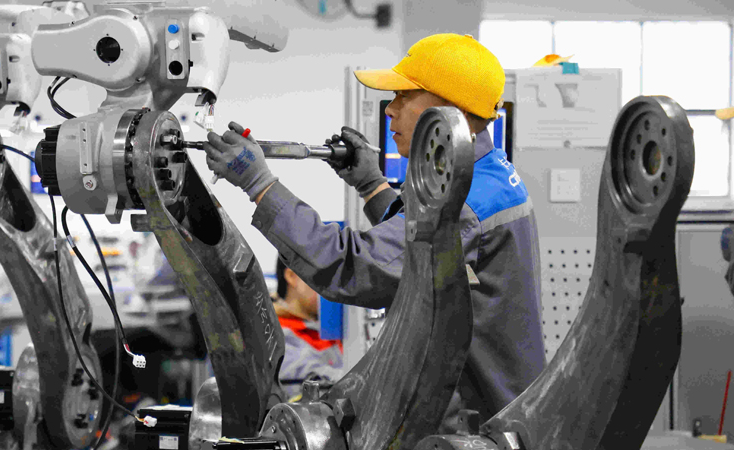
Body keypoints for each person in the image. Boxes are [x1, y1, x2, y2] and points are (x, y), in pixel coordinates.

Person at [203, 33, 545, 424]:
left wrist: (259, 185)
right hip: (486, 416)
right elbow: (424, 250)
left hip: (478, 429)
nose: (390, 110)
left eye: (403, 96)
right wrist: (372, 186)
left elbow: (353, 266)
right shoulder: (487, 176)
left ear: (451, 110)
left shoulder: (468, 202)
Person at [273, 257, 343, 399]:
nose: (335, 287)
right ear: (292, 276)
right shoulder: (274, 335)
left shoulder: (330, 330)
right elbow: (307, 375)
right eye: (325, 275)